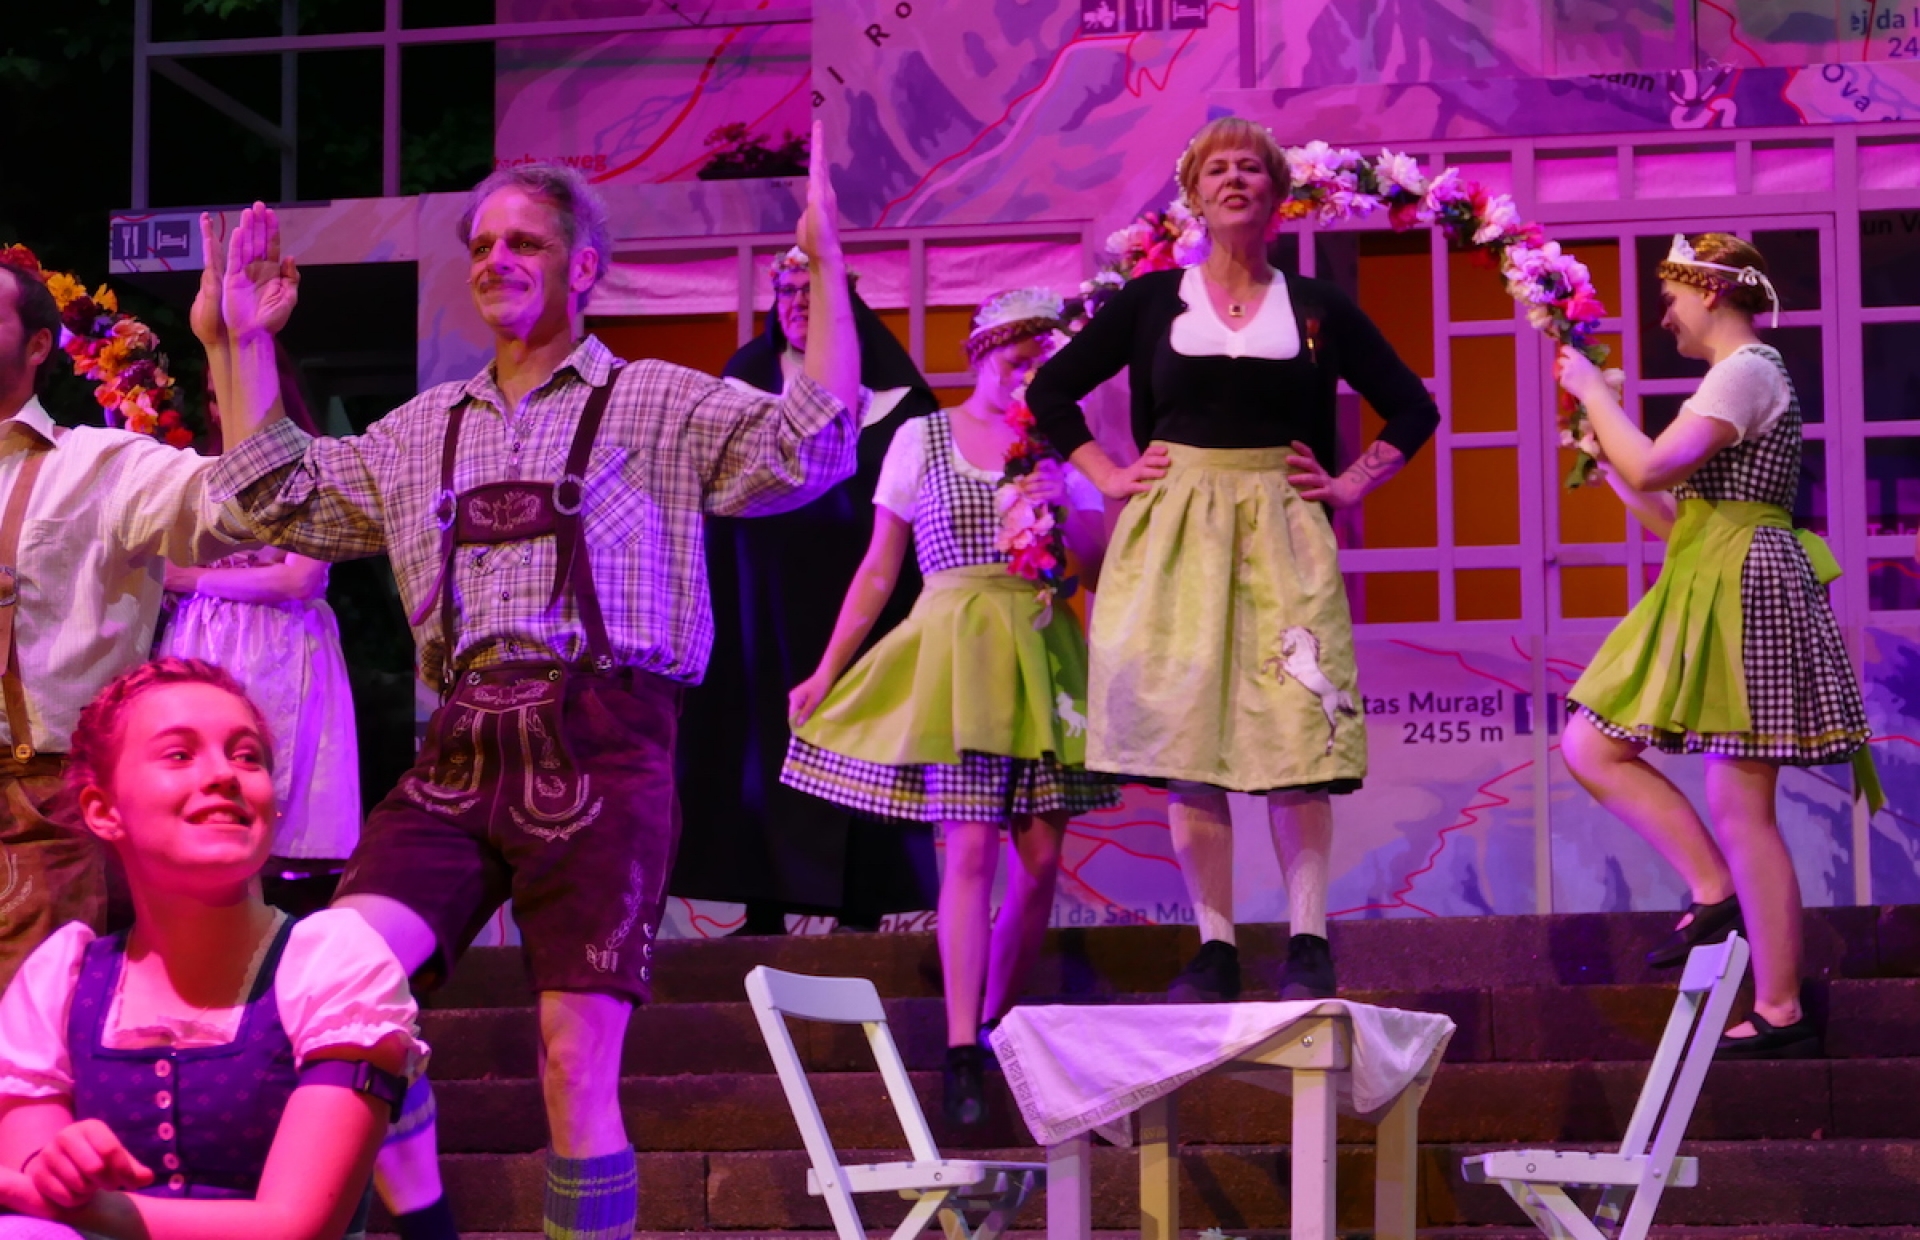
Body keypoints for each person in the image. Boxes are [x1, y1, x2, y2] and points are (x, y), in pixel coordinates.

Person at [206, 128, 864, 1240]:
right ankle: (427, 1230)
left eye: (525, 243)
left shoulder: (657, 401)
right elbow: (275, 496)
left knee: (573, 1063)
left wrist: (830, 269)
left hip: (606, 739)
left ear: (583, 266)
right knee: (334, 976)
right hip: (461, 747)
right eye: (483, 245)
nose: (497, 259)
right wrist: (243, 342)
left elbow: (816, 447)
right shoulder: (424, 429)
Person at [1025, 116, 1440, 1005]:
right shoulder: (1150, 301)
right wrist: (1108, 473)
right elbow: (1050, 389)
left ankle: (1307, 941)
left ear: (1278, 194)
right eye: (1217, 170)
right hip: (1175, 529)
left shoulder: (1318, 306)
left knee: (1296, 731)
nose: (1235, 179)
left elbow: (1412, 406)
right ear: (1194, 197)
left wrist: (1350, 483)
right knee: (1189, 739)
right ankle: (1214, 947)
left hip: (1282, 524)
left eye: (1251, 167)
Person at [782, 288, 1117, 1125]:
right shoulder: (921, 439)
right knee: (967, 852)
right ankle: (962, 1047)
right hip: (959, 653)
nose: (1028, 375)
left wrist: (1059, 496)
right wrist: (827, 669)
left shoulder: (1059, 445)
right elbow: (878, 567)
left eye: (1043, 363)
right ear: (981, 355)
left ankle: (998, 1020)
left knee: (1040, 859)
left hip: (1040, 648)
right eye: (1017, 359)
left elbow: (1095, 563)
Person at [1554, 233, 1874, 1059]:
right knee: (1591, 744)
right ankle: (1714, 888)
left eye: (1670, 298)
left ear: (1709, 291)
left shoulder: (1749, 369)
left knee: (1739, 803)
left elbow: (1658, 467)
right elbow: (1674, 511)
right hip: (1707, 573)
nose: (1664, 317)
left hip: (1746, 583)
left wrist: (1591, 393)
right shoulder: (1730, 379)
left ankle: (1780, 1005)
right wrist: (1606, 453)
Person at [0, 657, 423, 1240]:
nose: (225, 774)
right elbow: (33, 1196)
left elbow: (295, 1227)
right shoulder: (63, 981)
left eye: (247, 756)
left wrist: (98, 1212)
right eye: (179, 754)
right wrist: (61, 1169)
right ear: (103, 810)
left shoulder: (330, 963)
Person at [670, 247, 940, 935]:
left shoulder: (900, 401)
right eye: (786, 291)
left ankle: (862, 912)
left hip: (863, 604)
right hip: (760, 604)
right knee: (758, 747)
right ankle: (761, 909)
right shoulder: (741, 383)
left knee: (862, 742)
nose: (797, 304)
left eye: (812, 291)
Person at [0, 254, 237, 992]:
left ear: (38, 345)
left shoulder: (102, 464)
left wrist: (237, 349)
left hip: (44, 808)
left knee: (31, 1035)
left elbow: (236, 508)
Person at [162, 333, 358, 918]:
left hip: (279, 644)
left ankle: (268, 934)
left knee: (271, 788)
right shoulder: (196, 472)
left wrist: (190, 579)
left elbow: (299, 580)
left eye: (235, 391)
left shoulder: (317, 465)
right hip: (203, 641)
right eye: (213, 396)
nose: (224, 408)